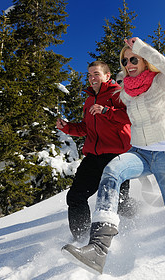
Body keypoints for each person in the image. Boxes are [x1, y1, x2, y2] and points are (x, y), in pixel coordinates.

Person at [62, 37, 165, 275]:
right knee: (111, 171)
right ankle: (97, 249)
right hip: (138, 153)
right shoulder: (127, 93)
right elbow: (97, 122)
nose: (129, 63)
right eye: (125, 60)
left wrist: (140, 47)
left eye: (134, 59)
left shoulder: (160, 83)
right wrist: (69, 126)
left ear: (145, 61)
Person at [56, 61, 133, 241]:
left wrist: (106, 110)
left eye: (96, 74)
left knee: (118, 202)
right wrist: (67, 128)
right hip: (93, 156)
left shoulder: (118, 94)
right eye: (90, 75)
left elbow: (131, 116)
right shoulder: (89, 99)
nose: (92, 78)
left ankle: (130, 231)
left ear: (107, 76)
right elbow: (85, 128)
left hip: (117, 156)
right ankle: (81, 239)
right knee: (75, 196)